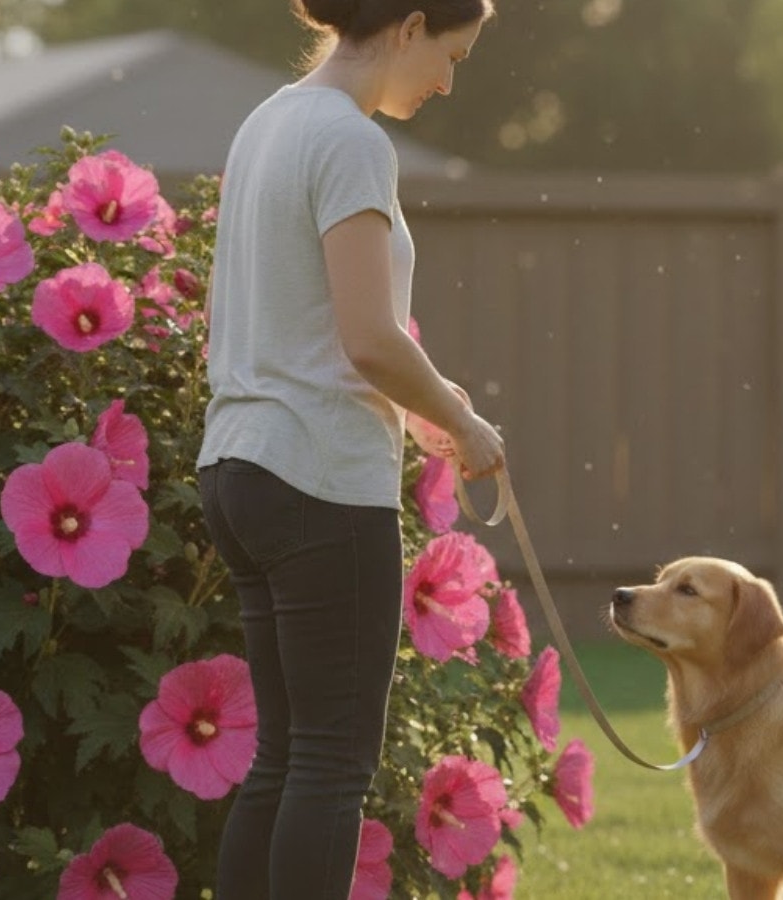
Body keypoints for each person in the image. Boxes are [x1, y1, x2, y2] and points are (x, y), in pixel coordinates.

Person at [195, 2, 502, 897]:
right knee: (331, 767)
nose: (449, 81)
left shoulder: (269, 121)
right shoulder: (352, 140)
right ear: (409, 26)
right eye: (452, 55)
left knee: (284, 761)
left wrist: (435, 413)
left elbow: (306, 326)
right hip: (320, 482)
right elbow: (368, 338)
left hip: (240, 467)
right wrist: (465, 419)